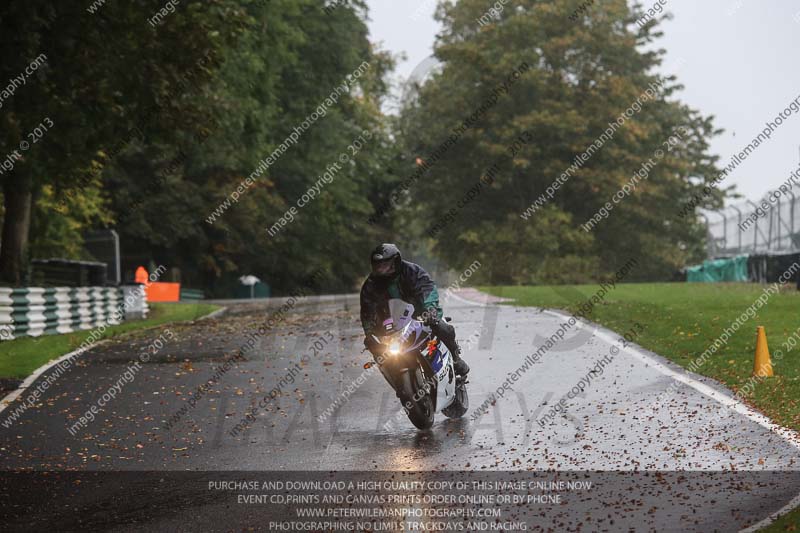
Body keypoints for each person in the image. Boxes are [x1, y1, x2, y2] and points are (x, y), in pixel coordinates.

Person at [360, 243, 470, 376]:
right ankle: (395, 379)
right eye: (378, 265)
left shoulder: (412, 271)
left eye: (386, 264)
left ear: (396, 261)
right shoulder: (370, 285)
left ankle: (456, 359)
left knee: (440, 326)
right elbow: (367, 310)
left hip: (421, 314)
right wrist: (369, 333)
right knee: (375, 347)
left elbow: (427, 289)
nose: (382, 269)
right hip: (392, 323)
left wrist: (430, 309)